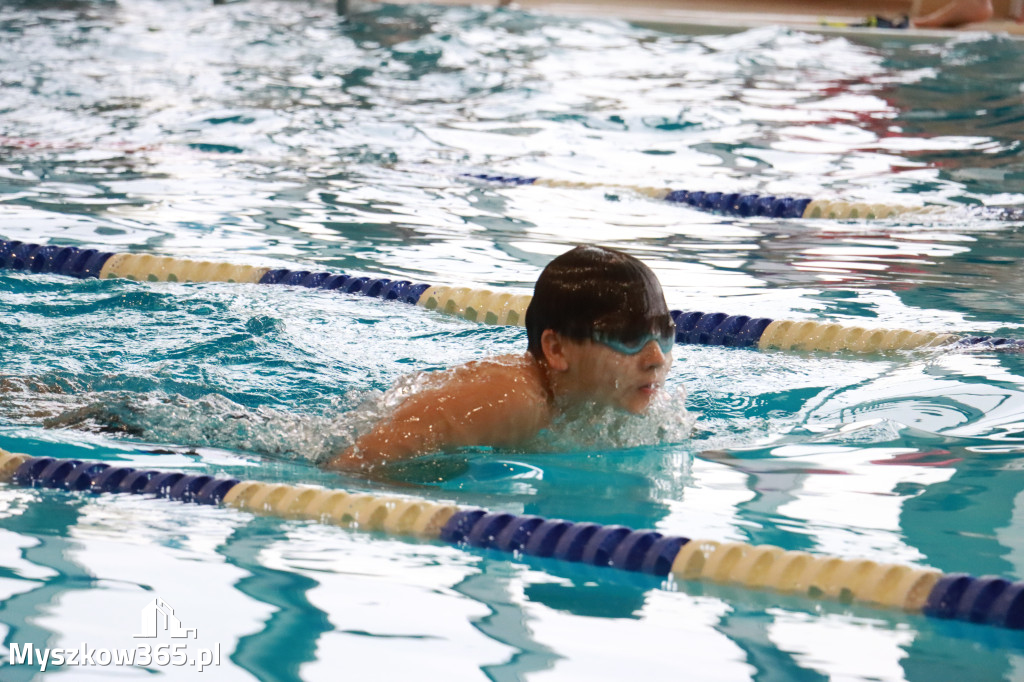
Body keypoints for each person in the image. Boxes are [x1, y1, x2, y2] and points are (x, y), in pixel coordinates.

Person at [324, 245, 675, 472]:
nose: (656, 358)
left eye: (665, 335)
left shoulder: (606, 399)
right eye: (627, 338)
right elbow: (351, 466)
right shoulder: (510, 399)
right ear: (556, 349)